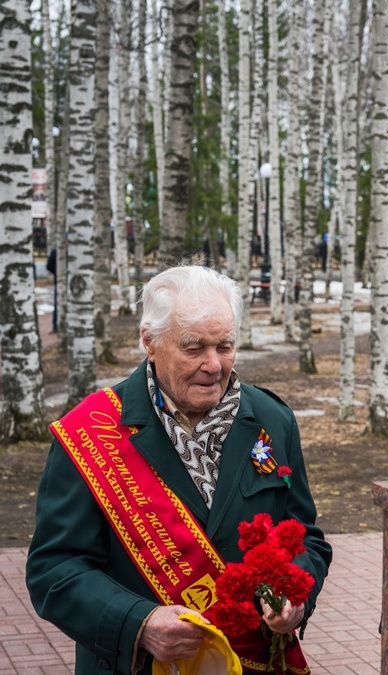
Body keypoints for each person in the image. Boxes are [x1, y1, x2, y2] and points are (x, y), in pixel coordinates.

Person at [26, 265, 332, 674]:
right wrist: (138, 623)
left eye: (225, 346)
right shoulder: (91, 432)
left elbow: (306, 537)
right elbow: (54, 571)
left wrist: (295, 595)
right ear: (149, 342)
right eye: (193, 347)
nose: (213, 364)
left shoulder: (273, 419)